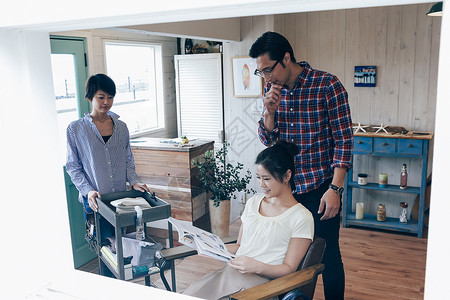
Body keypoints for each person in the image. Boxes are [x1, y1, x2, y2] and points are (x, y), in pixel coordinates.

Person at [249, 31, 353, 300]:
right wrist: (269, 114)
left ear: (286, 58)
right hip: (287, 191)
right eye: (261, 73)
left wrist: (336, 189)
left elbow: (344, 140)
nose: (267, 77)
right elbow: (268, 140)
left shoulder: (327, 85)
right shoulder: (271, 90)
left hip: (321, 188)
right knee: (289, 256)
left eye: (269, 69)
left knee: (327, 254)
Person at [183, 141, 314, 300]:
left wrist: (258, 266)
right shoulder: (253, 203)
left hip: (263, 286)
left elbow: (289, 268)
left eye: (267, 178)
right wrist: (212, 249)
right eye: (258, 177)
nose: (261, 184)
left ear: (287, 175)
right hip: (231, 273)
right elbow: (239, 246)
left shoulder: (301, 217)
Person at [65, 73, 150, 252]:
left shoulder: (122, 127)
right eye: (101, 97)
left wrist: (134, 181)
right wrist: (88, 191)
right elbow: (73, 167)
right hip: (95, 201)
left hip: (120, 200)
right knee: (105, 253)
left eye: (110, 97)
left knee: (122, 250)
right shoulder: (75, 129)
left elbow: (127, 160)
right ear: (90, 97)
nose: (106, 102)